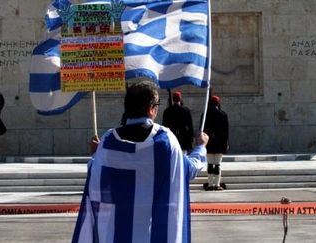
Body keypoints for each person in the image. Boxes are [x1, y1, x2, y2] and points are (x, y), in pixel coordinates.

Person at [72, 80, 209, 243]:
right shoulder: (165, 141)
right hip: (153, 234)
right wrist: (201, 147)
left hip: (114, 234)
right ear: (152, 109)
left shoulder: (108, 141)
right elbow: (188, 170)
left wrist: (95, 154)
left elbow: (95, 174)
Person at [201, 95, 229, 191]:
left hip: (208, 142)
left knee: (209, 164)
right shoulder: (223, 114)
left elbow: (202, 130)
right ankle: (216, 185)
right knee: (217, 164)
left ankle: (210, 184)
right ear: (218, 103)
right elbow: (226, 131)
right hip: (220, 143)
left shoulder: (205, 114)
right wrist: (226, 143)